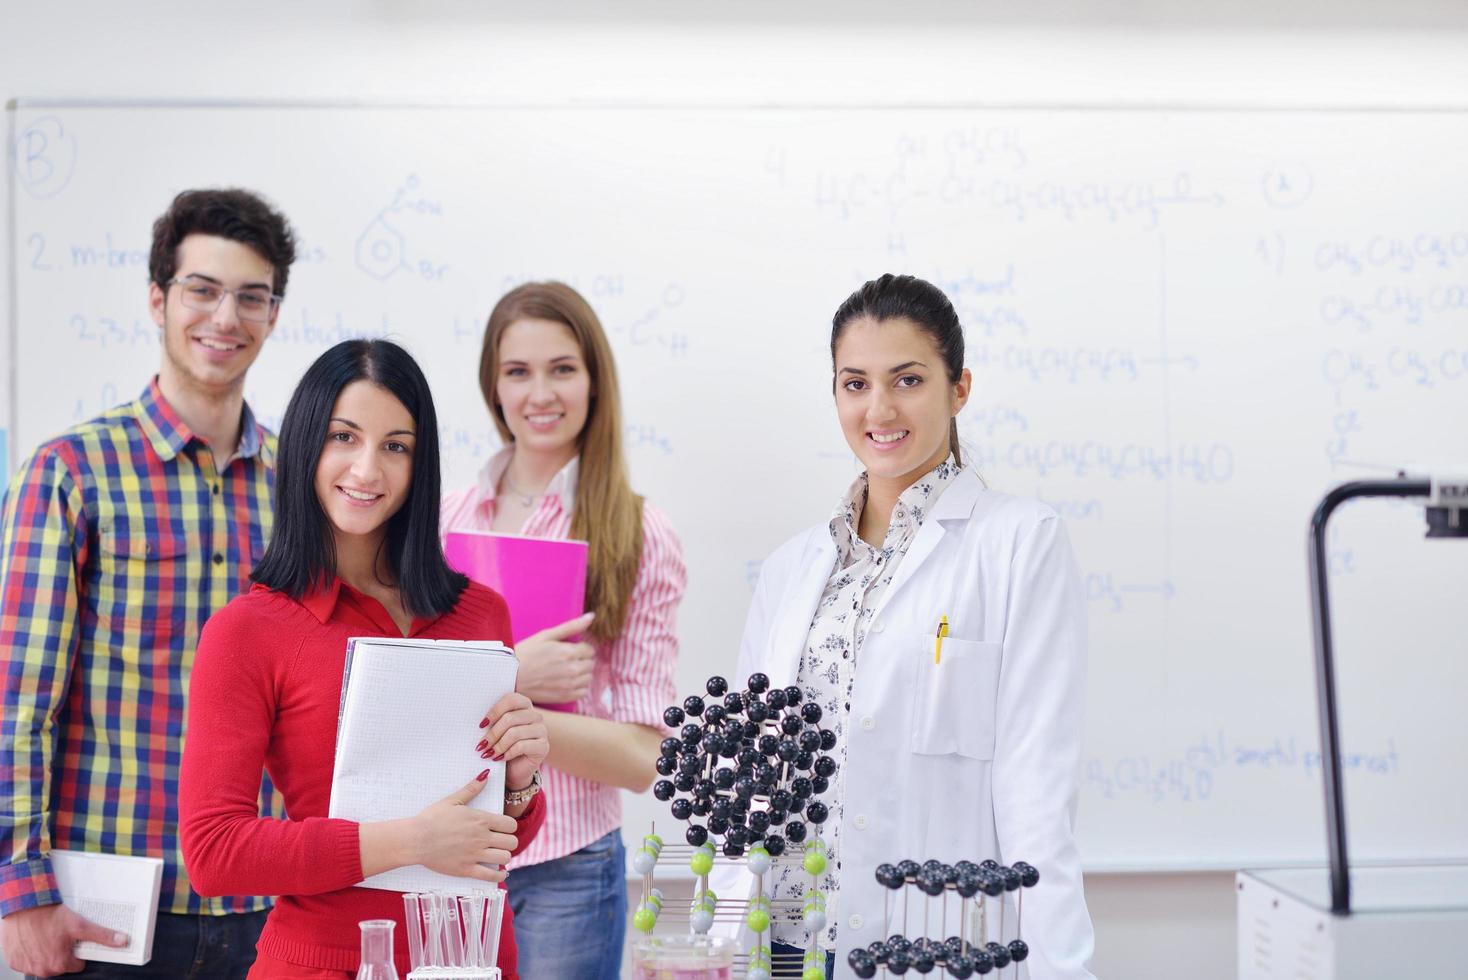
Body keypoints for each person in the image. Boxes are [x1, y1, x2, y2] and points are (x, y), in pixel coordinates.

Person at [722, 274, 1096, 979]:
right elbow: (749, 784)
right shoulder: (792, 569)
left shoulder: (1020, 543)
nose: (880, 408)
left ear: (959, 390)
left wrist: (1062, 969)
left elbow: (1036, 792)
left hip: (928, 944)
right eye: (854, 384)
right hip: (785, 946)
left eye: (908, 380)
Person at [178, 339, 549, 979]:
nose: (368, 470)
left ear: (420, 463)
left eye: (396, 446)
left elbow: (495, 842)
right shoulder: (246, 631)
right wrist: (409, 842)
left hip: (474, 959)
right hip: (326, 962)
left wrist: (520, 782)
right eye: (343, 437)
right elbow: (215, 854)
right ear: (303, 447)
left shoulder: (482, 614)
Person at [0, 188, 297, 978]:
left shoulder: (301, 489)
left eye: (251, 296)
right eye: (202, 290)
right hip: (112, 908)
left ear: (274, 314)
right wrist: (19, 891)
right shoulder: (69, 473)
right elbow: (18, 699)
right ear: (159, 300)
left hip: (270, 903)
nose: (224, 317)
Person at [441, 282, 684, 978]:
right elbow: (405, 697)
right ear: (493, 386)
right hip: (451, 853)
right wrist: (512, 674)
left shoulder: (637, 533)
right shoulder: (444, 519)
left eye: (562, 369)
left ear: (594, 381)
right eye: (518, 371)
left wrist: (507, 710)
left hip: (569, 871)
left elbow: (644, 757)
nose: (539, 393)